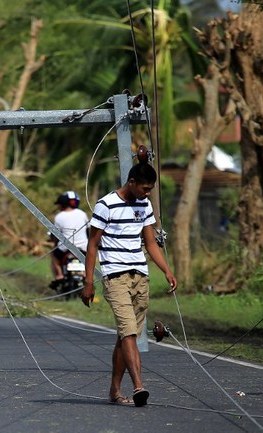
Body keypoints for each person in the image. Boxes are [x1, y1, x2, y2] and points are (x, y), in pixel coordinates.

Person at [81, 163, 177, 407]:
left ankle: (114, 390)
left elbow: (151, 243)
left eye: (150, 190)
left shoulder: (144, 204)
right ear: (131, 182)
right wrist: (89, 282)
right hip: (115, 277)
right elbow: (93, 245)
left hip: (140, 277)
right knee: (129, 332)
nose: (147, 193)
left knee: (126, 337)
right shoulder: (106, 204)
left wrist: (166, 270)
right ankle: (138, 386)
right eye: (145, 188)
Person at [49, 191, 89, 287]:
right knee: (90, 258)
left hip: (65, 249)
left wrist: (54, 243)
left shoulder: (59, 217)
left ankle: (59, 276)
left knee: (54, 256)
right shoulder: (82, 214)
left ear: (62, 204)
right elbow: (89, 230)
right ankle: (86, 275)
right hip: (83, 247)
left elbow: (55, 235)